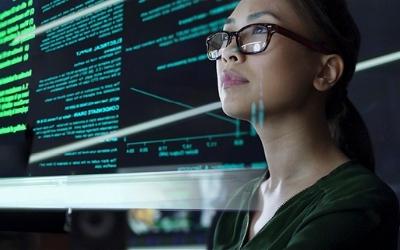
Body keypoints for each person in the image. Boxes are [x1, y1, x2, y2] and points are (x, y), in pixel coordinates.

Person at [205, 0, 399, 249]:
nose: (228, 52)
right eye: (226, 36)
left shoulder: (357, 202)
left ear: (325, 72)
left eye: (259, 31)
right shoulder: (241, 202)